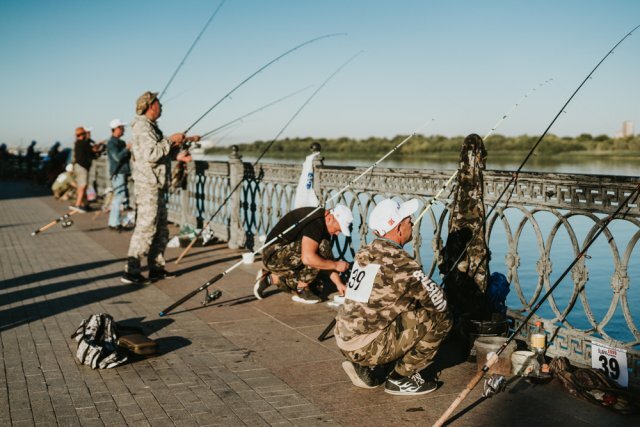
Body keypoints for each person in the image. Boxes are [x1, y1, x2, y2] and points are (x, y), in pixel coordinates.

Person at [335, 198, 452, 395]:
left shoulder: (366, 250)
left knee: (403, 309)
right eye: (408, 220)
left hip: (344, 338)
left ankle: (369, 367)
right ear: (398, 229)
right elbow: (439, 303)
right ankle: (400, 378)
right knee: (441, 318)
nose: (412, 223)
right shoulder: (401, 262)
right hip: (366, 345)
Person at [122, 91, 198, 285]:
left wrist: (179, 146)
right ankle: (131, 271)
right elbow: (152, 154)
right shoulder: (142, 126)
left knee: (161, 229)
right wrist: (171, 140)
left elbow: (160, 153)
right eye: (159, 103)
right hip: (148, 186)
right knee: (146, 228)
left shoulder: (150, 127)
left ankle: (156, 268)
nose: (162, 106)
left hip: (156, 184)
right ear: (150, 106)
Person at [253, 204, 353, 304]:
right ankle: (301, 289)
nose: (337, 234)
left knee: (317, 286)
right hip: (272, 256)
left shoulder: (324, 220)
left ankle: (270, 278)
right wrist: (336, 265)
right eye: (338, 229)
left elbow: (326, 258)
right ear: (330, 218)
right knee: (320, 249)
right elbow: (308, 258)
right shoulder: (316, 222)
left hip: (285, 254)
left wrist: (339, 284)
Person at [106, 119, 131, 231]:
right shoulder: (112, 143)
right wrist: (127, 149)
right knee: (118, 197)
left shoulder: (119, 142)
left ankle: (114, 222)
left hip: (122, 172)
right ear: (115, 129)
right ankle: (114, 223)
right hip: (118, 173)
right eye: (121, 128)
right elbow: (117, 157)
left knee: (118, 197)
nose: (123, 130)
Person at [71, 127, 93, 212]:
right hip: (82, 167)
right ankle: (78, 204)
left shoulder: (77, 143)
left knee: (82, 186)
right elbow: (88, 153)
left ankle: (84, 203)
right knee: (83, 186)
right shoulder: (83, 143)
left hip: (78, 167)